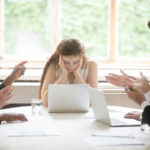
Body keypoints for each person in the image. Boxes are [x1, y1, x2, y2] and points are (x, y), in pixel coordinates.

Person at [39, 38, 98, 106]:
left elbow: (93, 101)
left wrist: (77, 74)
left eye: (75, 62)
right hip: (58, 113)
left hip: (83, 114)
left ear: (81, 57)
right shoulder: (54, 65)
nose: (71, 66)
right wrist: (64, 74)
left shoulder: (91, 65)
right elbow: (45, 101)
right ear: (60, 58)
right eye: (66, 62)